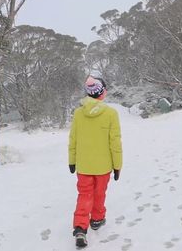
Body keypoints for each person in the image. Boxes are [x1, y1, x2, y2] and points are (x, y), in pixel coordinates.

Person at [68, 76, 123, 248]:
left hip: (84, 166)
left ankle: (80, 228)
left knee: (84, 195)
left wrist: (72, 160)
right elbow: (115, 142)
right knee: (99, 193)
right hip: (103, 166)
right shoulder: (111, 113)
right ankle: (97, 219)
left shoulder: (78, 113)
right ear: (102, 92)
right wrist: (117, 165)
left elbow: (73, 139)